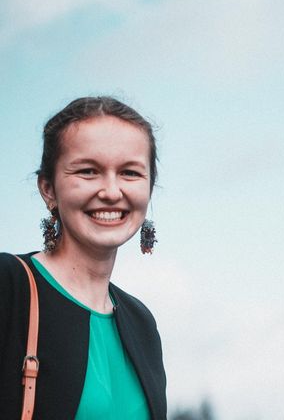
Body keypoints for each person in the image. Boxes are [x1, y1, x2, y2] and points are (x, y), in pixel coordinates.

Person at [0, 97, 167, 419]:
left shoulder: (141, 322)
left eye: (130, 173)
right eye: (89, 171)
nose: (111, 191)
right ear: (48, 188)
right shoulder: (9, 286)